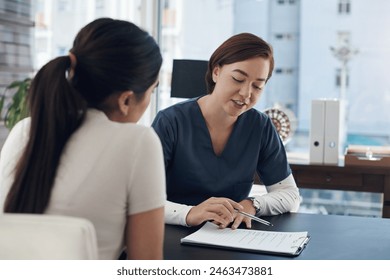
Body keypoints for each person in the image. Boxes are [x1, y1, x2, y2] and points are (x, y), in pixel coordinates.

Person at [0, 18, 166, 260]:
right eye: (152, 90)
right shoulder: (138, 142)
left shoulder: (25, 130)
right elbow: (147, 266)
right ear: (126, 100)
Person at [152, 33, 300, 230]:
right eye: (238, 79)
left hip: (228, 237)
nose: (246, 94)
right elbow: (144, 200)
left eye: (257, 86)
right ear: (216, 72)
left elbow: (290, 195)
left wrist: (252, 204)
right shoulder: (171, 122)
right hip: (173, 235)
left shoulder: (260, 126)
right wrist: (190, 213)